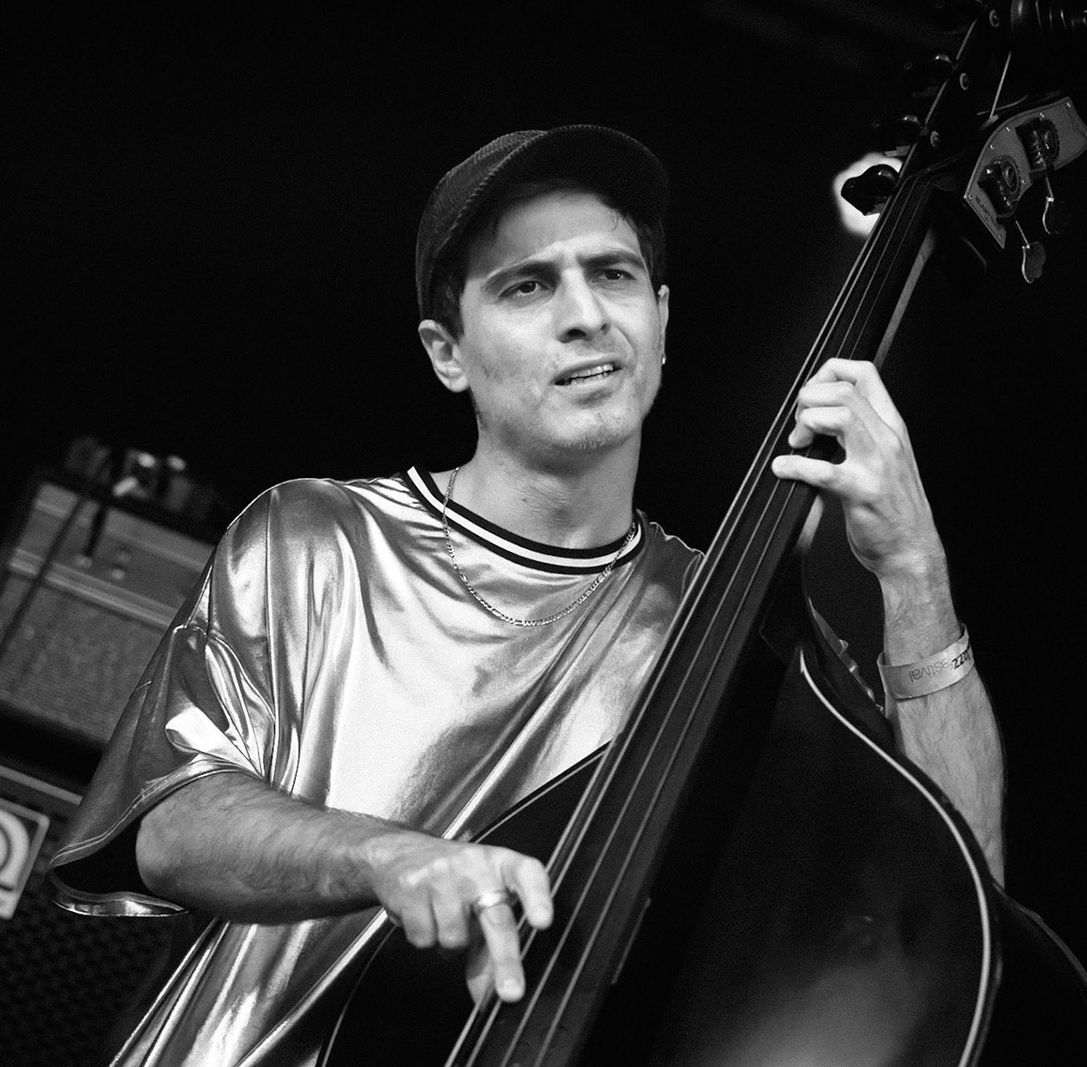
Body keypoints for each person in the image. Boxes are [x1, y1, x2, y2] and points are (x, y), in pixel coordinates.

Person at [49, 125, 1003, 1067]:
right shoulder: (315, 535)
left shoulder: (723, 632)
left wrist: (916, 574)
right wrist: (390, 857)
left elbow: (953, 913)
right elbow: (170, 824)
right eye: (528, 285)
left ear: (662, 321)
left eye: (614, 275)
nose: (586, 315)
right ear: (447, 353)